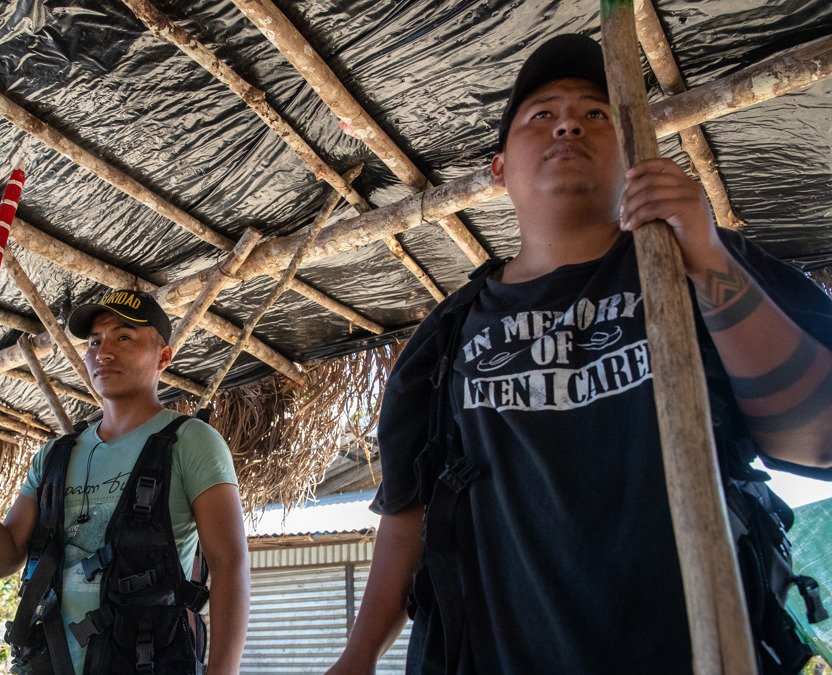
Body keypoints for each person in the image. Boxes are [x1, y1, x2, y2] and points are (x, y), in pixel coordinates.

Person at [330, 34, 832, 674]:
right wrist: (358, 656)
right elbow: (410, 510)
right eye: (542, 114)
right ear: (499, 170)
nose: (569, 124)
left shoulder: (702, 262)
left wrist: (706, 257)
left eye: (597, 114)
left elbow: (817, 441)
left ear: (634, 155)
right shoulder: (447, 336)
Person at [0, 289, 250, 674]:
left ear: (163, 357)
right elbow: (2, 560)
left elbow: (229, 564)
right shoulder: (55, 455)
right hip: (52, 660)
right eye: (95, 341)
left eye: (124, 337)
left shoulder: (190, 441)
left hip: (145, 661)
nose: (104, 352)